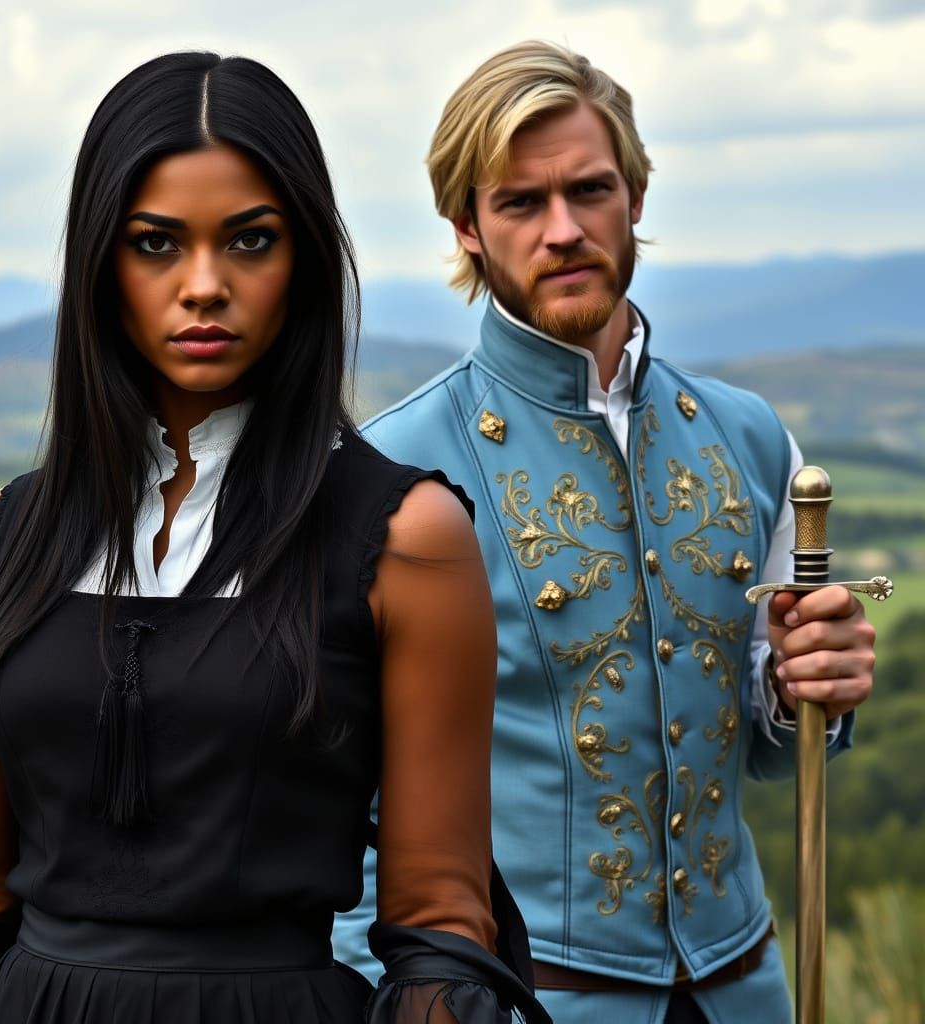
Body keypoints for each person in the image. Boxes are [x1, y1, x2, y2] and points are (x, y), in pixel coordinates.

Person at [0, 52, 549, 1024]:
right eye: (155, 244)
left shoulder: (407, 538)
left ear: (304, 262)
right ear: (100, 265)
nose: (203, 285)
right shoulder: (0, 537)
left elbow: (438, 926)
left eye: (250, 240)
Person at [332, 40, 877, 1024]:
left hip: (747, 991)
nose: (564, 230)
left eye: (589, 190)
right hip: (520, 1003)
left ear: (635, 195)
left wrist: (807, 687)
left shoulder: (752, 439)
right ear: (465, 227)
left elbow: (764, 741)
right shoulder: (391, 472)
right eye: (519, 202)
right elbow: (338, 809)